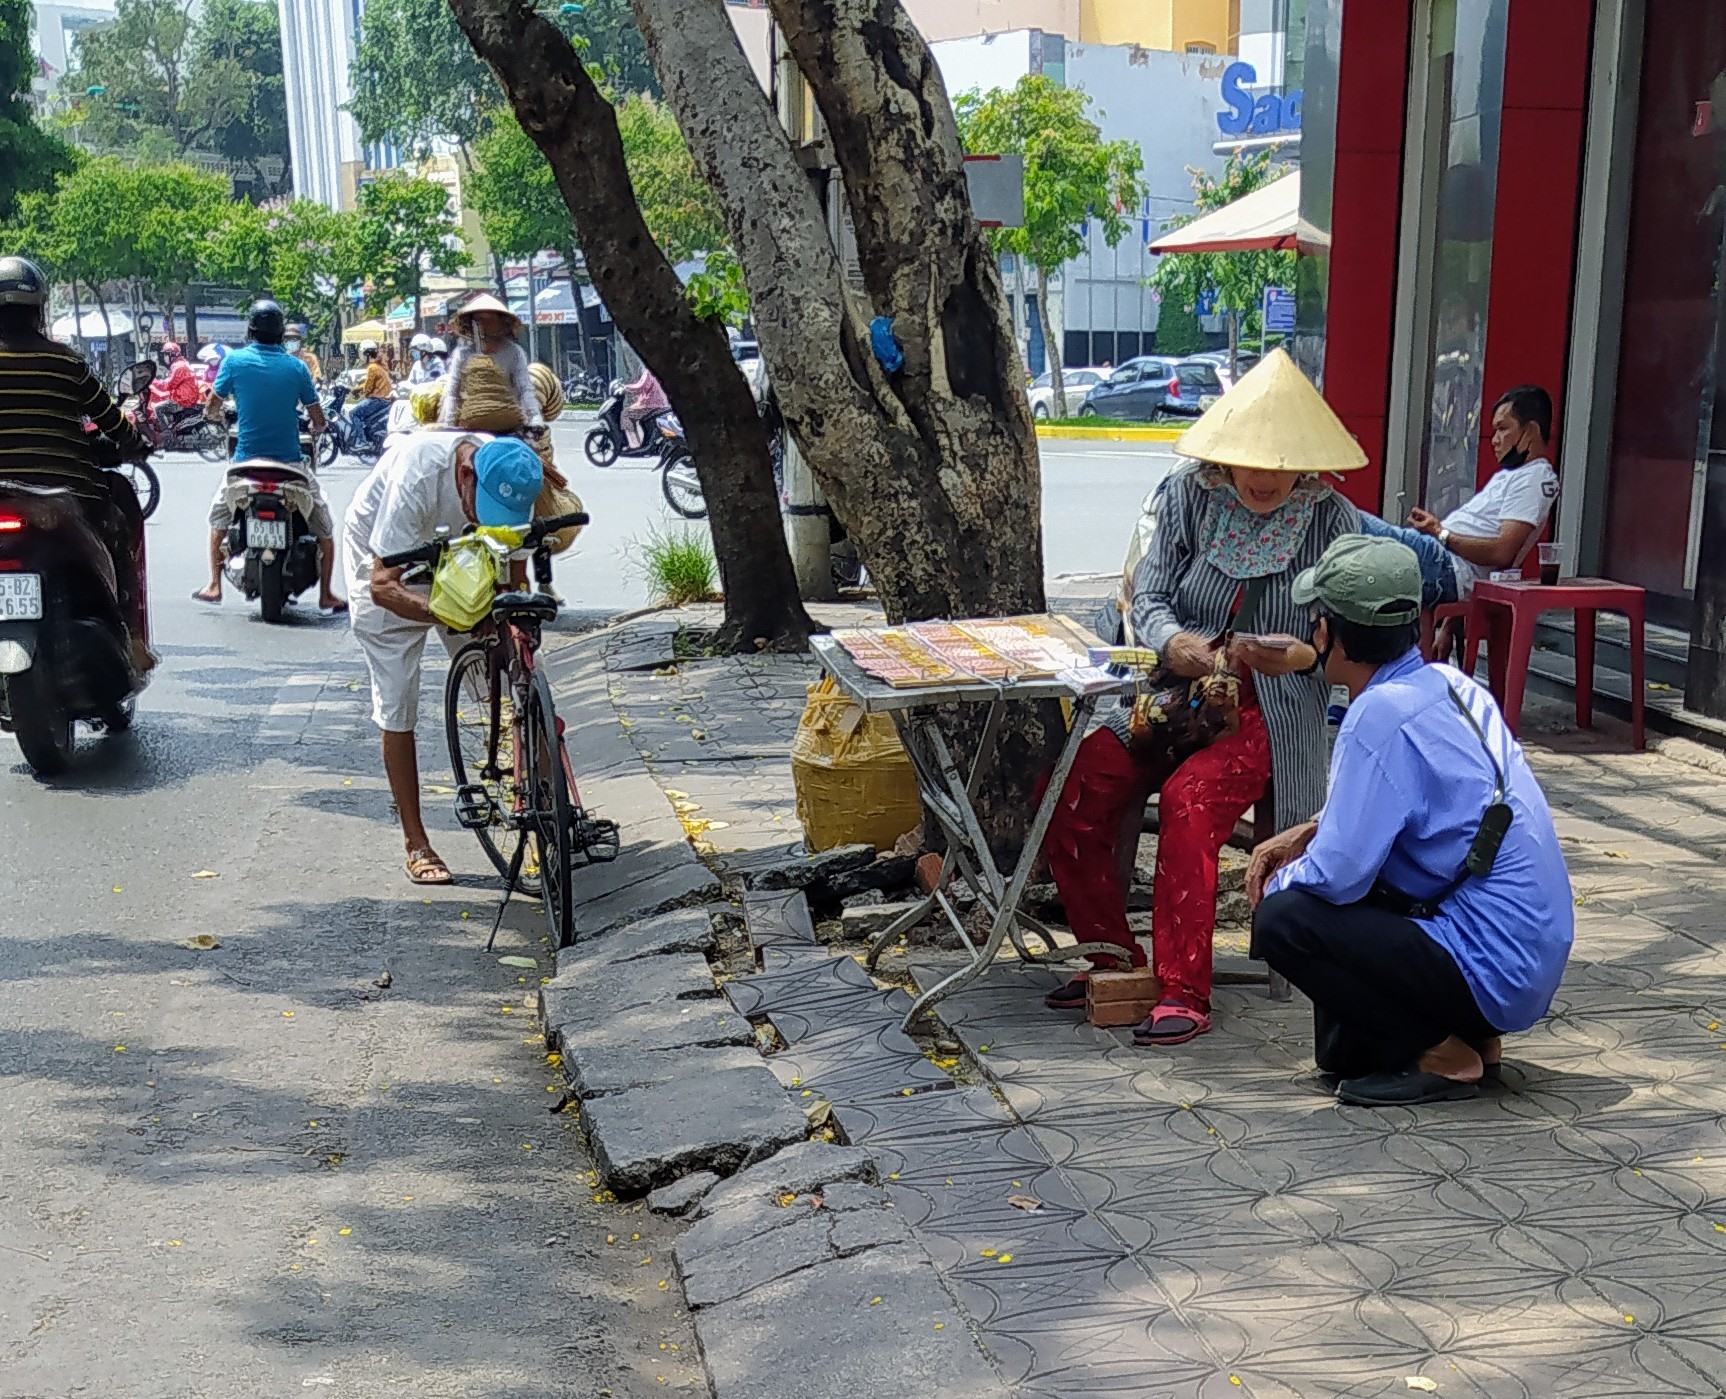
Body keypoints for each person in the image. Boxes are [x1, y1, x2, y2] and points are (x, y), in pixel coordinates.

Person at [1042, 348, 1363, 1044]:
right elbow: (1148, 593)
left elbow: (1345, 636)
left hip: (1268, 711)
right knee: (1073, 785)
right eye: (1252, 460)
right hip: (1171, 694)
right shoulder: (1187, 495)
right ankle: (1113, 957)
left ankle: (1185, 985)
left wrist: (1301, 656)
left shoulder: (1333, 518)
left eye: (1282, 464)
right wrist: (1174, 643)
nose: (1264, 478)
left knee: (1190, 801)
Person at [1248, 534, 1574, 1106]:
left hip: (1489, 962)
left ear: (1327, 633)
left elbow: (1339, 873)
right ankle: (1475, 1038)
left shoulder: (1376, 713)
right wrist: (1310, 830)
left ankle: (1443, 1054)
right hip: (1528, 960)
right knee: (1341, 1048)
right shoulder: (1453, 685)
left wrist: (1275, 882)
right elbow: (1400, 801)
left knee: (1284, 919)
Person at [344, 433, 542, 885]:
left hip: (467, 562)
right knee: (398, 701)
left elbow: (515, 574)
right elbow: (382, 584)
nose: (483, 518)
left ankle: (547, 810)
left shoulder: (514, 472)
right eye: (483, 508)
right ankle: (416, 842)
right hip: (390, 564)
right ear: (466, 475)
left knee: (523, 678)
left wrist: (506, 626)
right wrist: (446, 613)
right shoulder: (417, 477)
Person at [0, 256, 154, 669]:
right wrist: (134, 441)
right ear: (39, 308)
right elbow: (111, 420)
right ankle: (133, 641)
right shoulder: (65, 362)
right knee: (121, 534)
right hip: (67, 500)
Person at [195, 299, 344, 611]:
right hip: (290, 465)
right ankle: (326, 593)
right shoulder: (297, 367)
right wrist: (319, 426)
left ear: (250, 330)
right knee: (325, 530)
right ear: (281, 335)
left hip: (245, 465)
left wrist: (217, 417)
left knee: (217, 520)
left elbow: (212, 407)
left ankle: (213, 585)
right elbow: (318, 419)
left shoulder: (234, 363)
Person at [1361, 385, 1560, 609]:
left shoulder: (1536, 477)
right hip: (1441, 561)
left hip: (1446, 566)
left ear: (1531, 430)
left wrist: (1440, 533)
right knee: (1344, 540)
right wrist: (1449, 627)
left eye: (1503, 429)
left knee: (1349, 520)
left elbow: (1502, 553)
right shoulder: (1512, 475)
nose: (1494, 440)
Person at [438, 294, 543, 440]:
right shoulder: (462, 354)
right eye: (478, 320)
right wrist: (448, 424)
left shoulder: (513, 352)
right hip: (471, 429)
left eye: (488, 320)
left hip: (508, 427)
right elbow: (452, 392)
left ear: (501, 323)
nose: (482, 325)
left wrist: (535, 418)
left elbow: (525, 388)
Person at [350, 342, 395, 445]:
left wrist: (359, 393)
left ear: (367, 354)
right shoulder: (378, 366)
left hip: (378, 400)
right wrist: (356, 388)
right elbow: (369, 383)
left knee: (354, 413)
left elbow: (368, 387)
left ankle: (361, 441)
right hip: (384, 400)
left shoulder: (372, 367)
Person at [619, 362, 669, 448]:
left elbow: (640, 386)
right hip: (658, 404)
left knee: (625, 414)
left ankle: (634, 444)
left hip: (650, 405)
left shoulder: (648, 373)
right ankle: (639, 442)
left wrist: (625, 388)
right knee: (632, 412)